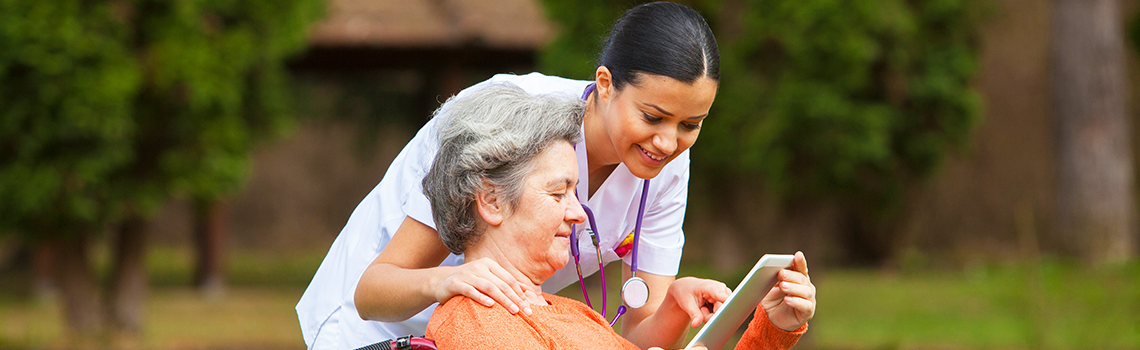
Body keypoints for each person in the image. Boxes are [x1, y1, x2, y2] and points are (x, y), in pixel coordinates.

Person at [297, 2, 809, 349]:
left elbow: (636, 334)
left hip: (514, 321)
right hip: (377, 322)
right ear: (605, 85)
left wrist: (676, 310)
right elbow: (373, 289)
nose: (668, 143)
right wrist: (451, 281)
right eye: (652, 117)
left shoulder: (667, 166)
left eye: (691, 125)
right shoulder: (506, 119)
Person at [420, 83, 812, 349]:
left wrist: (774, 327)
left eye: (575, 192)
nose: (578, 212)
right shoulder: (475, 325)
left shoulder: (575, 316)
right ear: (490, 201)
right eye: (558, 194)